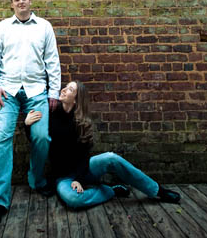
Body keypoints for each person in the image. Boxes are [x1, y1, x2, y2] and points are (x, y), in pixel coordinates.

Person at [25, 80, 181, 210]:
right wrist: (27, 125)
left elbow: (84, 155)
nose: (64, 90)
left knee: (111, 158)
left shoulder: (82, 122)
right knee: (73, 200)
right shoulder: (51, 115)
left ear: (77, 99)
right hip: (62, 177)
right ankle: (110, 190)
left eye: (70, 89)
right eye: (65, 87)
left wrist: (78, 178)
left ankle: (158, 191)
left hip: (84, 169)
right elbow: (39, 143)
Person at [0, 0, 61, 226]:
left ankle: (37, 180)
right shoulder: (2, 28)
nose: (21, 2)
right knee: (2, 139)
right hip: (7, 92)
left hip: (36, 92)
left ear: (30, 1)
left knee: (41, 138)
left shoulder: (44, 27)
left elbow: (52, 61)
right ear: (12, 5)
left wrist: (55, 93)